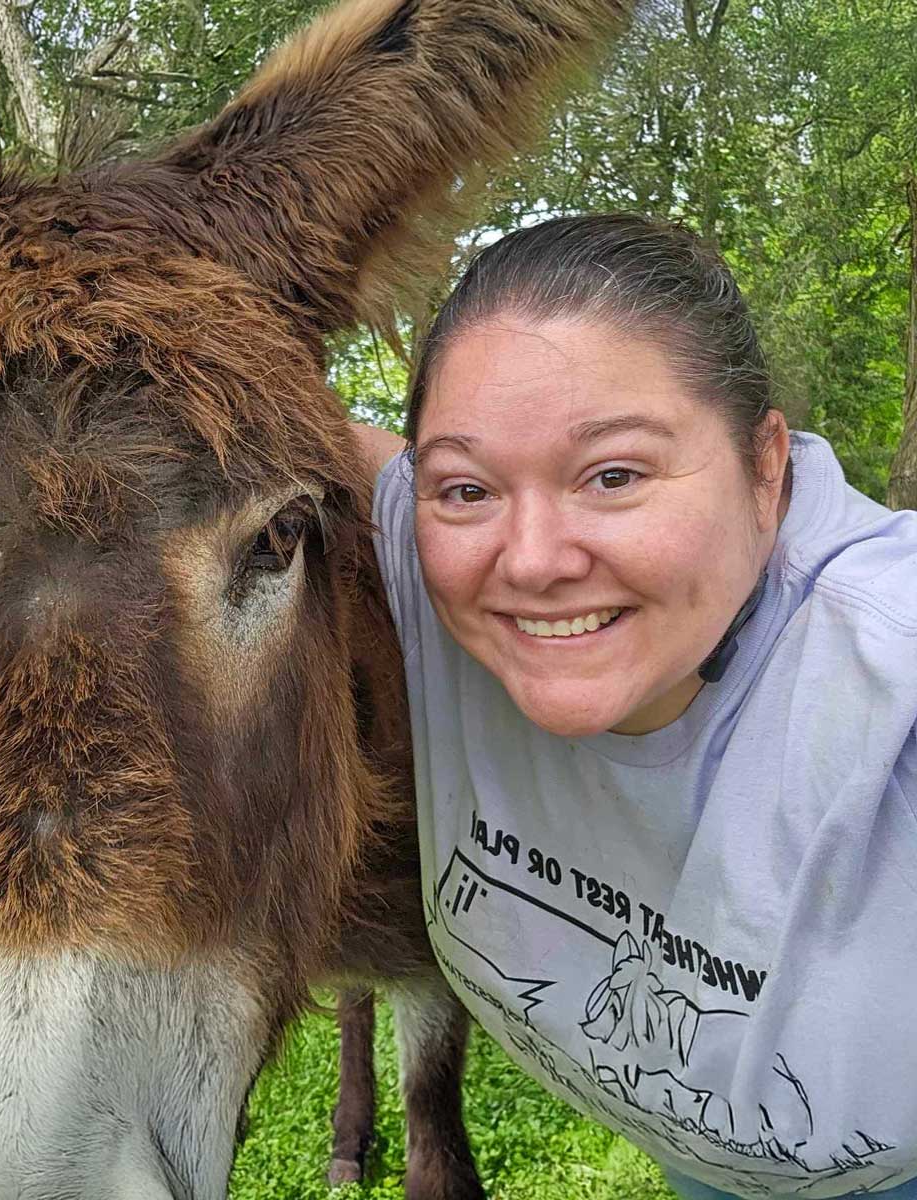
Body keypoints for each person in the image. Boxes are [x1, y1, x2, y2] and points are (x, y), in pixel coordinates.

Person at [354, 213, 917, 1200]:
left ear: (766, 464)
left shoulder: (885, 667)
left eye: (615, 475)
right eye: (468, 487)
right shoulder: (418, 549)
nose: (531, 561)